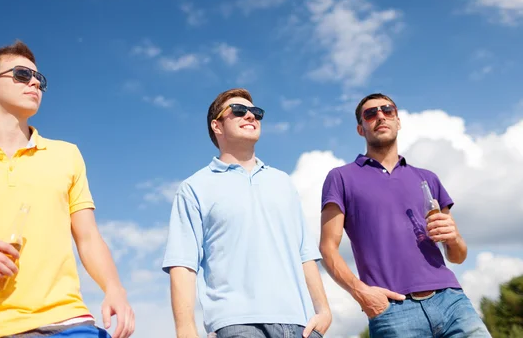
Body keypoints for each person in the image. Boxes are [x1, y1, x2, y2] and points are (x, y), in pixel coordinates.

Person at [0, 41, 134, 338]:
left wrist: (115, 289)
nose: (35, 82)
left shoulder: (67, 155)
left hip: (67, 321)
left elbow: (88, 238)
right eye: (22, 75)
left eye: (40, 79)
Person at [162, 88, 332, 338]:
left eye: (256, 112)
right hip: (237, 326)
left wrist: (324, 310)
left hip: (301, 325)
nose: (251, 116)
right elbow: (183, 265)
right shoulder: (194, 188)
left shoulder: (283, 182)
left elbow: (304, 253)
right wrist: (186, 331)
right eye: (239, 111)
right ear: (216, 126)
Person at [318, 93, 491, 337]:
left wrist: (453, 238)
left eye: (387, 111)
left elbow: (458, 256)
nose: (380, 116)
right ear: (360, 128)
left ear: (398, 121)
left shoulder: (428, 178)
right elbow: (327, 248)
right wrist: (361, 293)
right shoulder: (341, 178)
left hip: (452, 302)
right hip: (393, 310)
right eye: (370, 113)